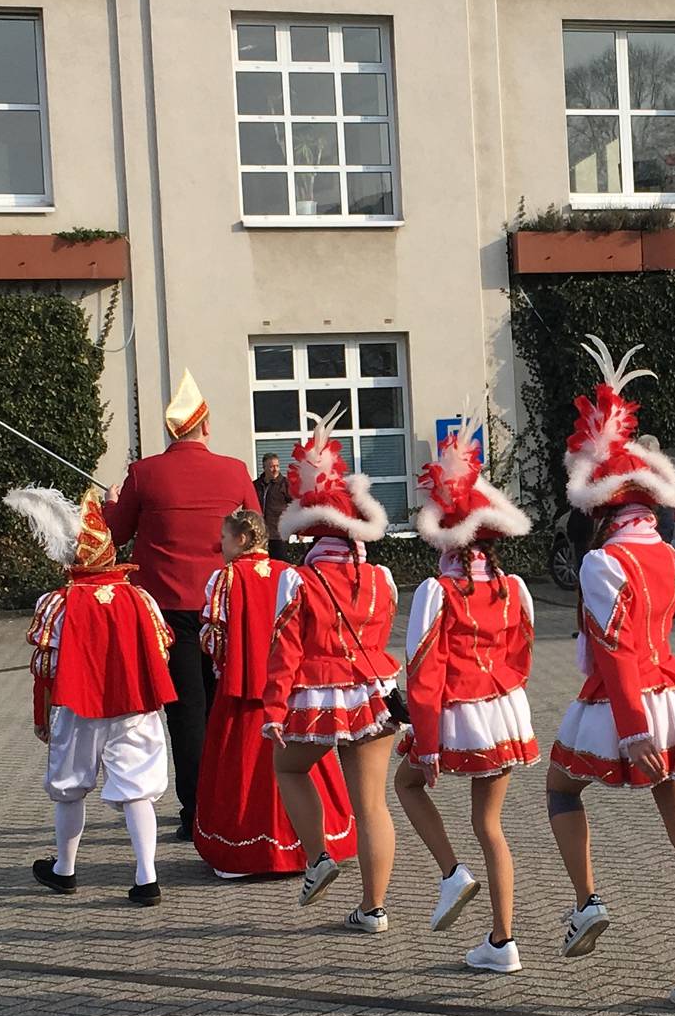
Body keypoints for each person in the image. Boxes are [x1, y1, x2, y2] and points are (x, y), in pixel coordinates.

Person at [545, 336, 675, 1004]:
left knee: (560, 789)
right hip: (673, 694)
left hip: (623, 707)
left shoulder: (602, 561)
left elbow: (617, 648)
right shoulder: (664, 553)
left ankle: (587, 899)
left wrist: (629, 731)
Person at [393, 420, 540, 973]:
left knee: (407, 782)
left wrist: (427, 744)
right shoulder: (512, 586)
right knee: (491, 825)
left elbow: (424, 673)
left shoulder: (437, 590)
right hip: (503, 709)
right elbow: (523, 656)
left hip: (457, 710)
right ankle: (504, 941)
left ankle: (451, 874)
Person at [262, 410, 406, 932]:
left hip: (318, 695)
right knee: (372, 804)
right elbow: (381, 632)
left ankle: (318, 857)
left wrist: (273, 710)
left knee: (288, 768)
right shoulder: (382, 578)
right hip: (373, 691)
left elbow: (285, 651)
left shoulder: (299, 581)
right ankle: (374, 908)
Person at [5, 484, 178, 906]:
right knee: (137, 790)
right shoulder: (140, 598)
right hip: (134, 705)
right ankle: (146, 877)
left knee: (69, 787)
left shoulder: (57, 603)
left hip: (78, 706)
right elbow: (162, 648)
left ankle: (65, 870)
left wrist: (42, 717)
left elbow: (45, 668)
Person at [106, 369, 259, 838]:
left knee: (186, 711)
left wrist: (112, 503)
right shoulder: (234, 470)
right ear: (205, 427)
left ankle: (194, 809)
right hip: (225, 606)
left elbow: (113, 536)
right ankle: (227, 803)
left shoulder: (144, 472)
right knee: (223, 707)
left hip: (167, 611)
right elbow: (256, 535)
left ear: (171, 431)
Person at [195, 508, 360, 878]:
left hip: (244, 692)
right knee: (305, 767)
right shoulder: (290, 573)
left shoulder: (226, 578)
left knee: (244, 773)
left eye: (223, 538)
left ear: (240, 539)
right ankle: (313, 845)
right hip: (291, 690)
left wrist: (225, 659)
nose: (219, 545)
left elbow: (214, 637)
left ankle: (246, 853)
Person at [256, 453, 291, 538]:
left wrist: (298, 529)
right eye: (271, 467)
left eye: (277, 466)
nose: (275, 469)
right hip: (260, 534)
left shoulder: (286, 484)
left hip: (279, 534)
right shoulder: (256, 485)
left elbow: (295, 506)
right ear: (264, 468)